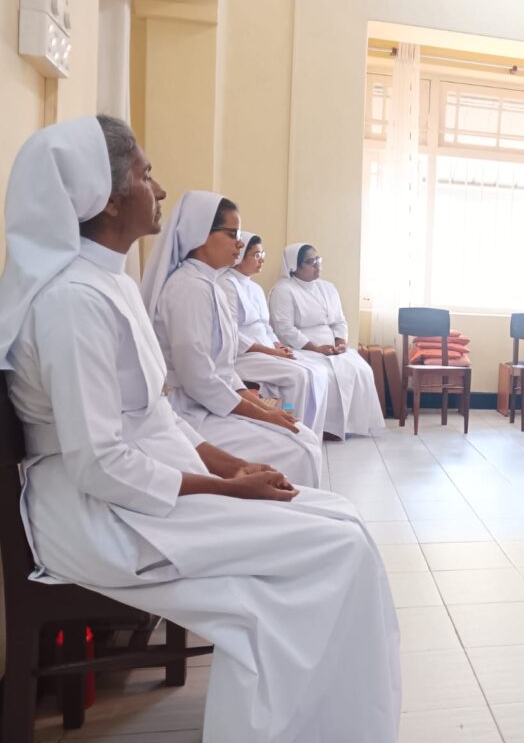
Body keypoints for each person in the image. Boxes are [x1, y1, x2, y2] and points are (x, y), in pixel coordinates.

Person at [0, 115, 400, 741]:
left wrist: (229, 464)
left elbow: (155, 416)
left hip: (141, 489)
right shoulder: (71, 301)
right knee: (338, 550)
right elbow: (97, 462)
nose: (158, 189)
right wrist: (227, 489)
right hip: (99, 513)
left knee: (342, 521)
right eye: (145, 175)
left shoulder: (108, 283)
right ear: (108, 197)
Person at [140, 191, 324, 489]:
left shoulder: (209, 283)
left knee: (301, 436)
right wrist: (264, 414)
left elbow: (224, 369)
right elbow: (199, 379)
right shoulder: (188, 288)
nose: (240, 243)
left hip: (211, 403)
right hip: (189, 411)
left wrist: (264, 408)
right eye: (232, 234)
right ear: (201, 233)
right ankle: (280, 511)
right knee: (297, 447)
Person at [269, 244, 385, 439]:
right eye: (310, 261)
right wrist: (315, 349)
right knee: (327, 376)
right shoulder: (283, 290)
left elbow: (339, 320)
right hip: (302, 348)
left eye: (318, 259)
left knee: (361, 369)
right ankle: (326, 428)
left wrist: (341, 343)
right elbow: (284, 329)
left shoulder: (328, 288)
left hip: (331, 348)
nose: (317, 265)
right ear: (294, 266)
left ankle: (350, 425)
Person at [221, 231, 330, 437]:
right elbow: (231, 334)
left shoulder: (255, 288)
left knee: (318, 370)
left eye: (263, 254)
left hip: (265, 351)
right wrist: (272, 352)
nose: (261, 260)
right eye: (256, 255)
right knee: (299, 375)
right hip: (243, 356)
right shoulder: (226, 284)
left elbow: (266, 326)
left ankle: (311, 433)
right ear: (241, 255)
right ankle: (291, 432)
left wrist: (278, 345)